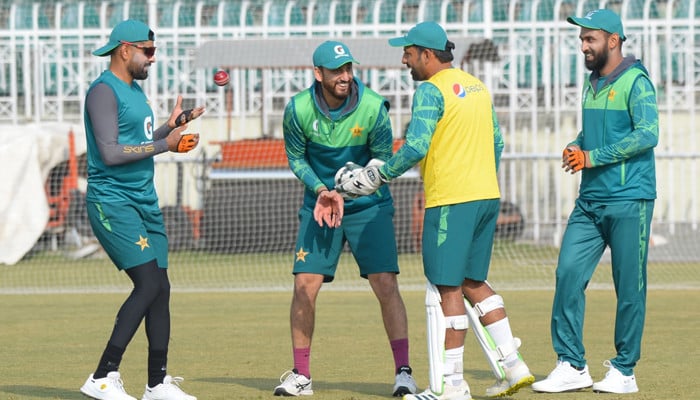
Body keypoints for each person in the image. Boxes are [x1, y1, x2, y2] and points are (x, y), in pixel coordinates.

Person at [336, 22, 534, 400]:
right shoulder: (475, 85)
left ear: (427, 54)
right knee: (474, 281)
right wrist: (481, 178)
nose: (404, 59)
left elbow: (415, 146)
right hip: (485, 196)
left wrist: (376, 177)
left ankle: (451, 386)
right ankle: (514, 366)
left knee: (447, 288)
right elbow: (497, 141)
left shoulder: (429, 90)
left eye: (408, 52)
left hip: (450, 200)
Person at [273, 40, 417, 398]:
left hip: (370, 206)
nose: (344, 76)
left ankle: (404, 373)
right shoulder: (298, 109)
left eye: (348, 68)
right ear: (318, 74)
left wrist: (350, 189)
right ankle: (302, 376)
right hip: (320, 206)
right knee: (304, 286)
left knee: (386, 285)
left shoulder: (372, 107)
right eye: (336, 70)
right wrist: (322, 190)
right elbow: (296, 158)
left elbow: (383, 162)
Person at [532, 9, 658, 394]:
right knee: (567, 274)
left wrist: (593, 157)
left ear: (614, 41)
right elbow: (593, 131)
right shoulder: (593, 83)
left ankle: (624, 371)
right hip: (589, 202)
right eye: (582, 39)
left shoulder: (637, 82)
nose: (583, 46)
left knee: (629, 287)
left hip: (629, 199)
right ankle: (572, 364)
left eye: (591, 39)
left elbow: (648, 134)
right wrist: (577, 144)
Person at [79, 19, 204, 400]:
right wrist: (167, 146)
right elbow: (111, 153)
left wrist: (169, 127)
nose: (153, 58)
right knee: (148, 283)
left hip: (143, 201)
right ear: (124, 50)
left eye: (154, 51)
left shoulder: (134, 92)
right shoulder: (103, 91)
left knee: (160, 288)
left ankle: (157, 383)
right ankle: (102, 376)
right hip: (113, 201)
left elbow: (136, 141)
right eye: (147, 51)